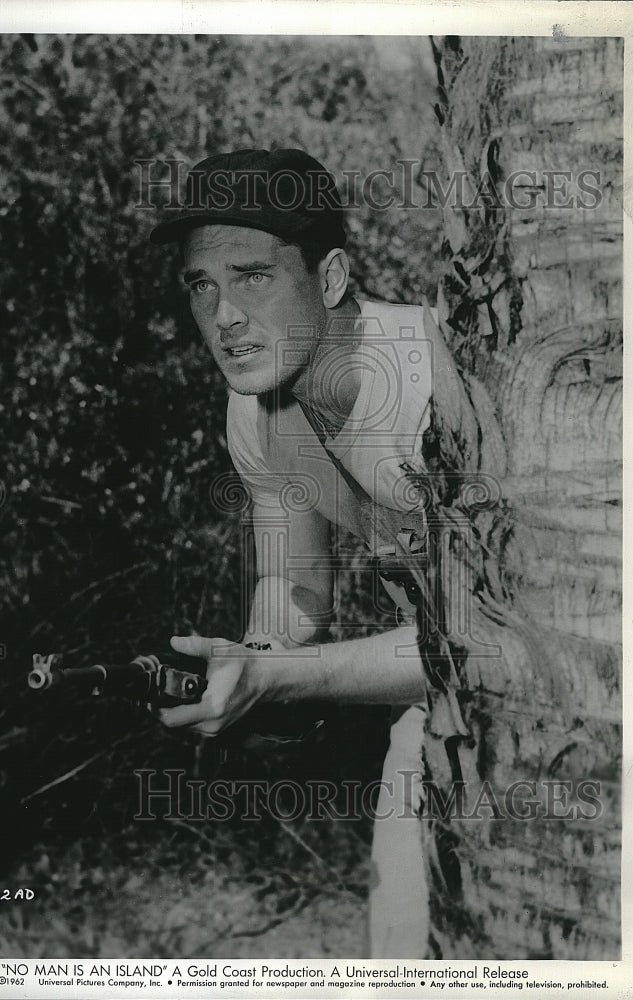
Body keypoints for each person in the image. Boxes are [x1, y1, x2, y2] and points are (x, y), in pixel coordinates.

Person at [149, 148, 439, 958]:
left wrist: (277, 681)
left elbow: (481, 641)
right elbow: (293, 584)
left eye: (252, 277)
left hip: (584, 693)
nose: (224, 316)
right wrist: (247, 659)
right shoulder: (258, 411)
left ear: (333, 277)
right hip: (434, 699)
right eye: (201, 285)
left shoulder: (434, 389)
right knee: (401, 952)